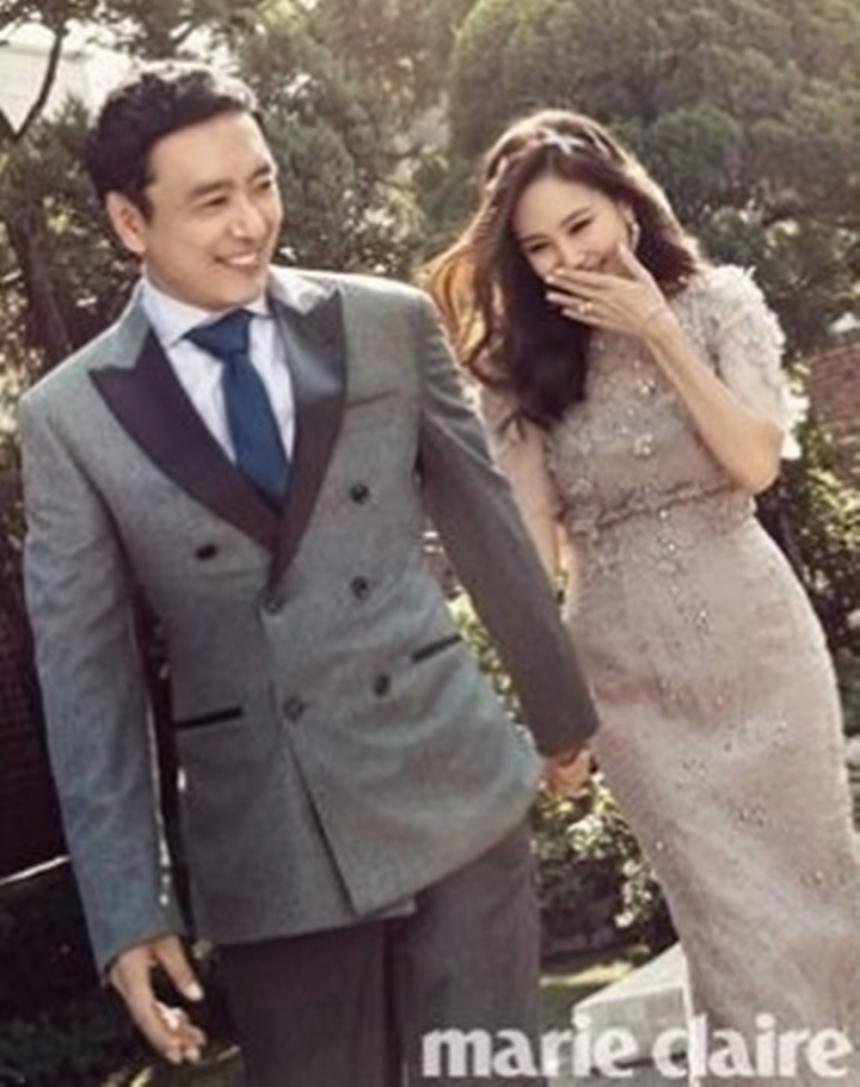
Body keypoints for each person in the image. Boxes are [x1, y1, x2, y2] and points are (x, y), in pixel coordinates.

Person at [19, 69, 599, 1086]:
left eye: (262, 183)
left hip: (449, 782)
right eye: (212, 201)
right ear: (128, 221)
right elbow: (86, 676)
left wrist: (561, 719)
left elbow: (487, 529)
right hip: (270, 845)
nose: (251, 223)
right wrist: (128, 906)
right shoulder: (69, 417)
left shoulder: (386, 321)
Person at [428, 108, 860, 1084]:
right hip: (631, 684)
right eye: (537, 247)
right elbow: (529, 559)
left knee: (822, 911)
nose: (565, 258)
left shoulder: (720, 305)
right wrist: (549, 707)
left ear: (625, 203)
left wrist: (657, 330)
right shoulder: (520, 370)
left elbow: (753, 461)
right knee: (732, 930)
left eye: (579, 225)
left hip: (760, 649)